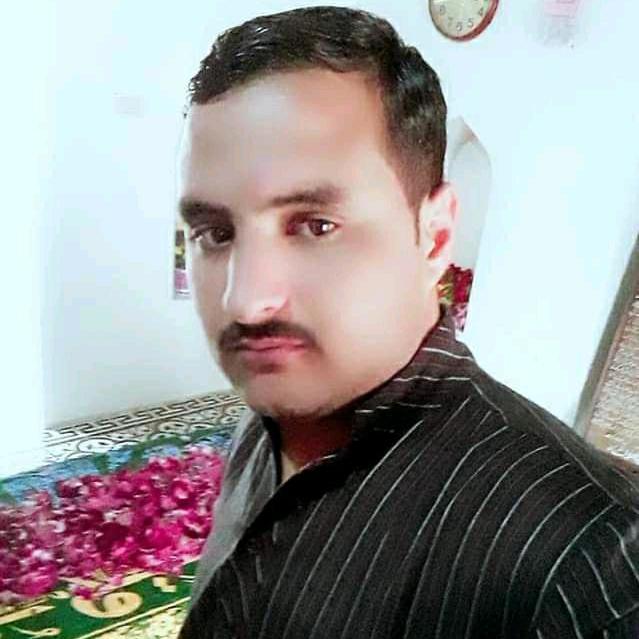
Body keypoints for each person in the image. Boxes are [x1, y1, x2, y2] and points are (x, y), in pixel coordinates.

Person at [176, 6, 639, 638]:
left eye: (315, 226)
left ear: (435, 236)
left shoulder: (588, 562)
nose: (245, 301)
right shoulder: (264, 425)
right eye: (215, 233)